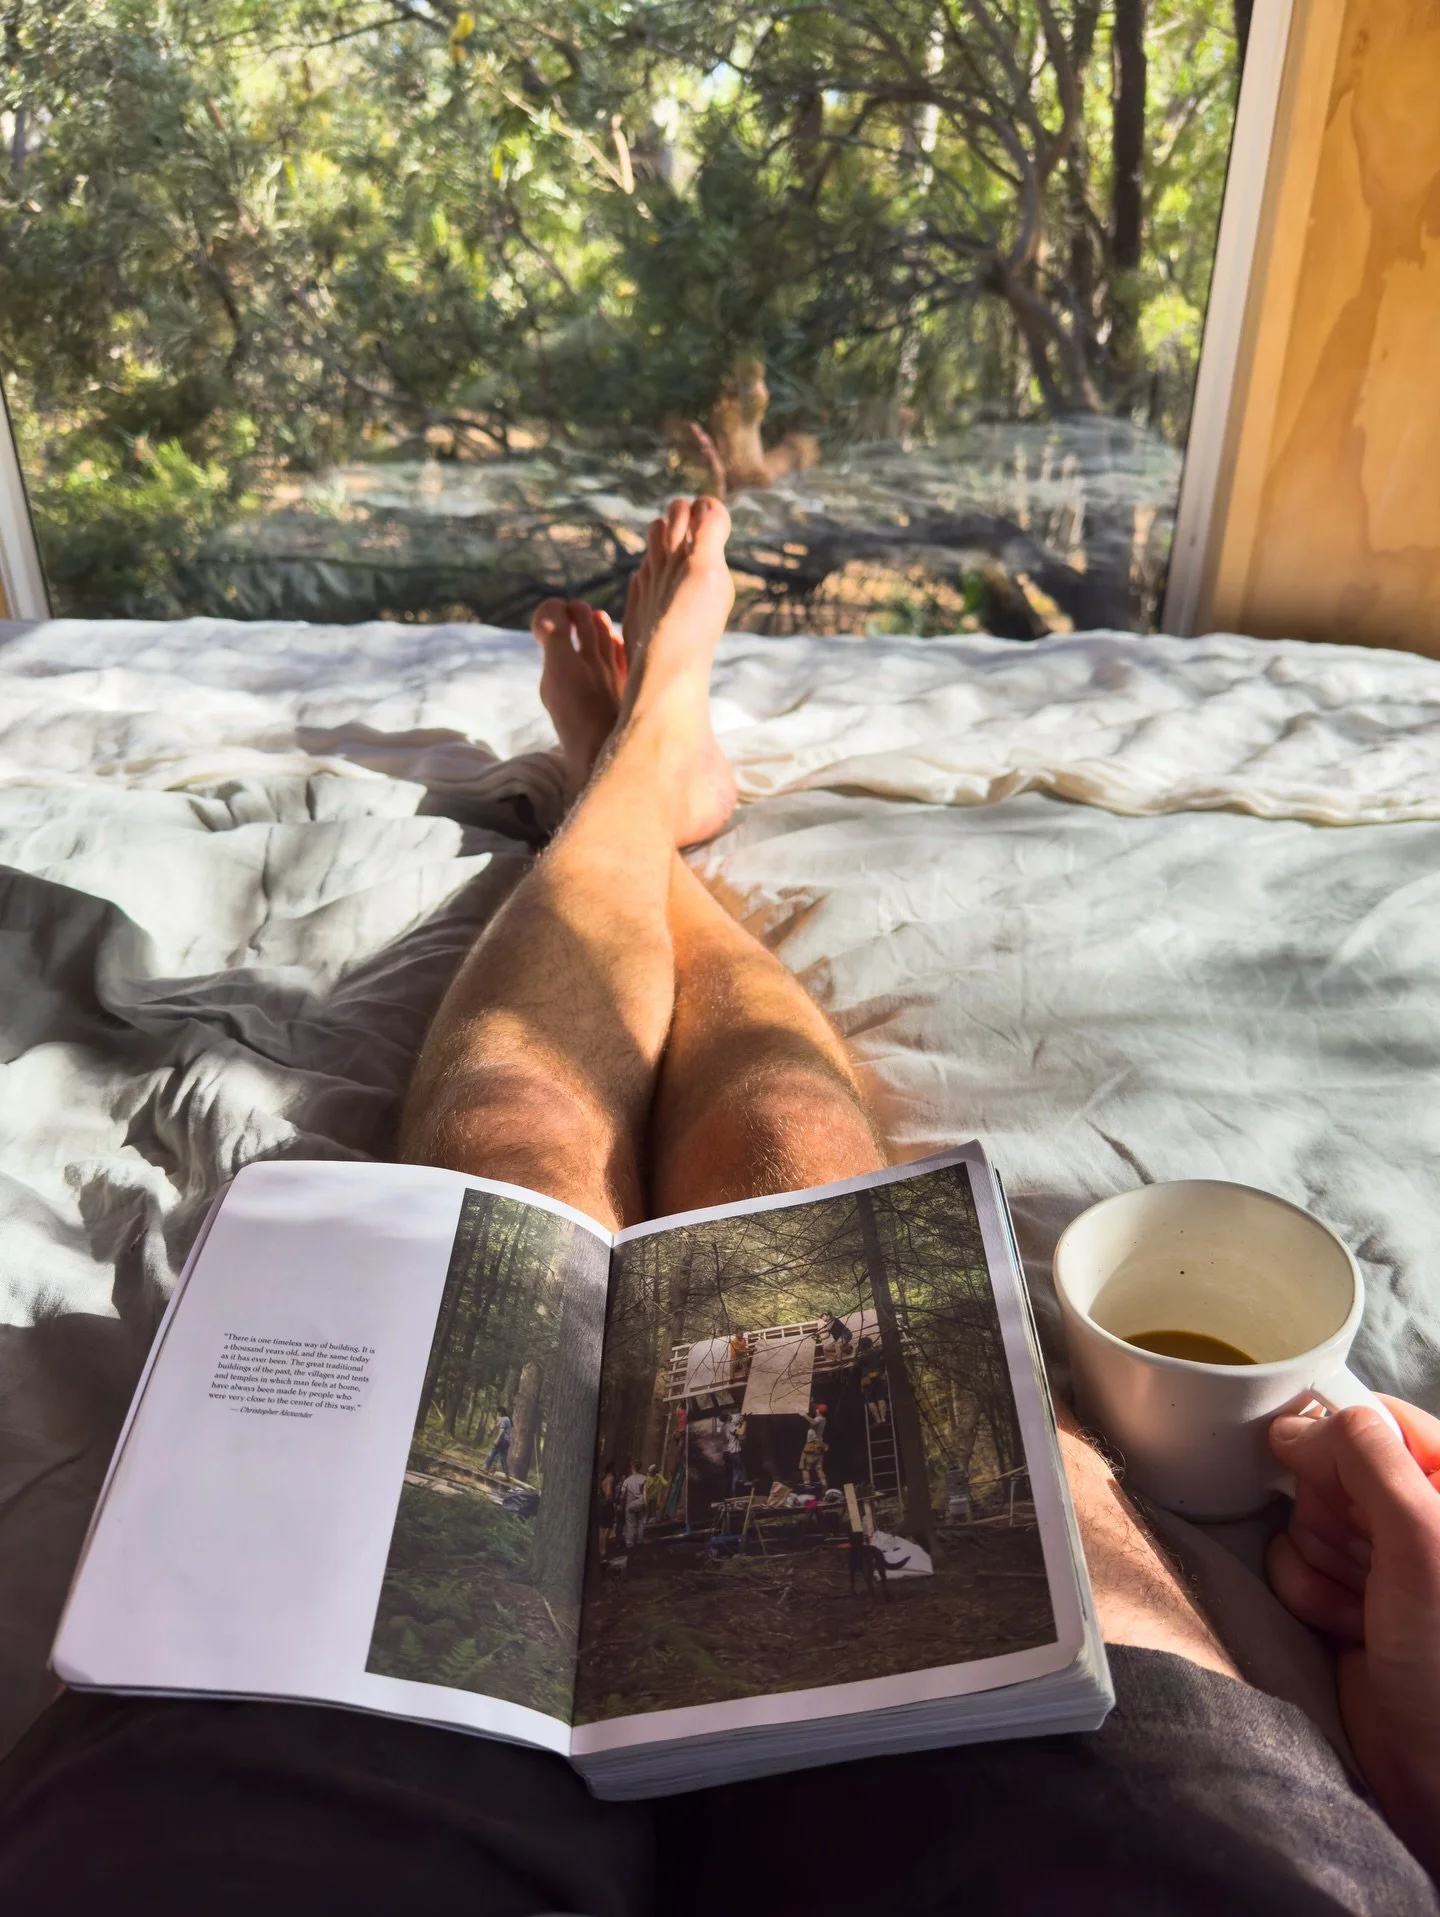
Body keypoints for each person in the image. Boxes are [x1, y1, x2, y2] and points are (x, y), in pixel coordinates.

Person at [1, 495, 1438, 1914]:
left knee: (515, 1163)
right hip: (1131, 1851)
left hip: (237, 1839)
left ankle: (626, 783)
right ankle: (641, 776)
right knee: (800, 1181)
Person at [618, 1461, 649, 1552]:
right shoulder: (644, 1478)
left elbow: (623, 1495)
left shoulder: (627, 1480)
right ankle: (639, 1541)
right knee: (640, 1522)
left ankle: (629, 1543)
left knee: (630, 1524)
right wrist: (645, 1505)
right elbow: (645, 1493)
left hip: (630, 1505)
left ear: (632, 1467)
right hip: (641, 1502)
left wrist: (621, 1506)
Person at [800, 1405, 829, 1490]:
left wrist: (804, 1415)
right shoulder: (824, 1419)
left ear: (818, 1410)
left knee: (804, 1466)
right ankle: (824, 1485)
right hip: (820, 1444)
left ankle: (807, 1486)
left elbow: (813, 1422)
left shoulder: (818, 1419)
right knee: (819, 1467)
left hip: (812, 1445)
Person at [597, 1459, 618, 1561]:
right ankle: (604, 1551)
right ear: (611, 1469)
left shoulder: (604, 1479)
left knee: (601, 1528)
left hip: (602, 1505)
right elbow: (609, 1493)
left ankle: (601, 1550)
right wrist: (610, 1500)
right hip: (608, 1505)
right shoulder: (611, 1478)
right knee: (608, 1527)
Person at [721, 1411, 746, 1497]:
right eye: (729, 1414)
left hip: (726, 1453)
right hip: (733, 1452)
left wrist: (741, 1421)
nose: (731, 1415)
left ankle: (729, 1495)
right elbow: (741, 1432)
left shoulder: (724, 1426)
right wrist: (745, 1422)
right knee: (737, 1474)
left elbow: (735, 1429)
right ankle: (735, 1496)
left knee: (730, 1476)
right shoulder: (730, 1425)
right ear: (727, 1417)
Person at [483, 1407, 513, 1478]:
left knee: (492, 1453)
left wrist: (497, 1440)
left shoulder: (503, 1419)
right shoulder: (507, 1419)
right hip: (507, 1441)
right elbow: (497, 1425)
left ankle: (486, 1469)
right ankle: (507, 1475)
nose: (498, 1414)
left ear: (501, 1412)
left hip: (502, 1440)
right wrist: (491, 1430)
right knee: (503, 1459)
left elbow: (501, 1431)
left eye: (498, 1412)